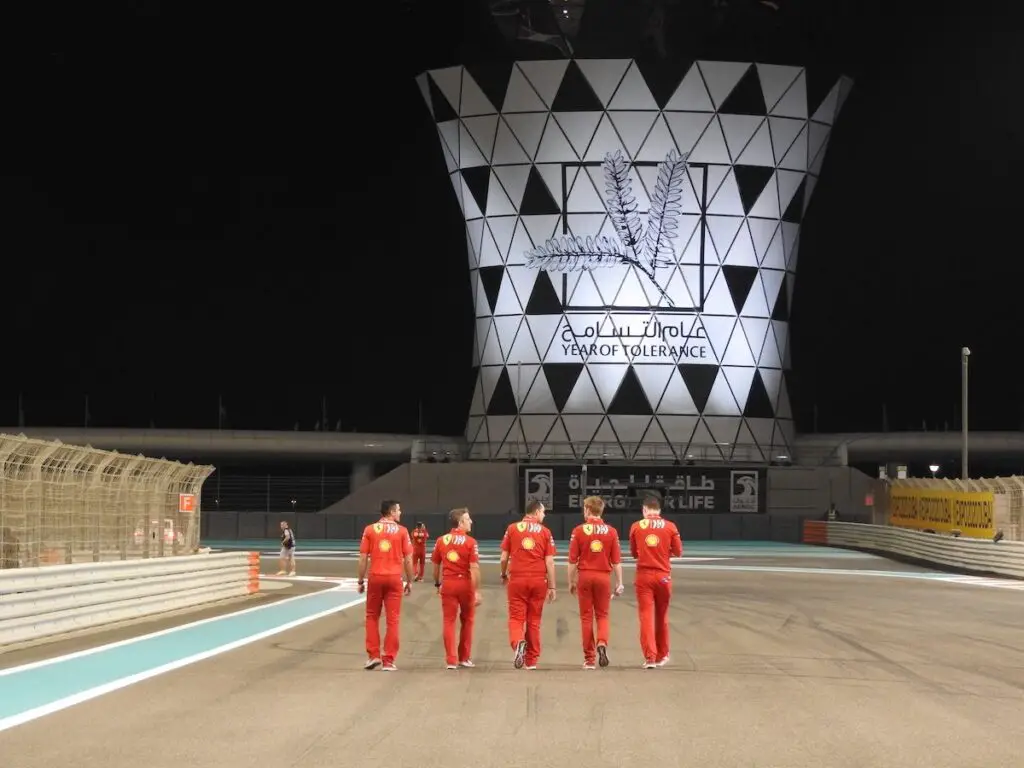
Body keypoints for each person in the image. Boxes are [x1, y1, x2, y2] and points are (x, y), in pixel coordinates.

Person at [357, 500, 414, 671]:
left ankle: (373, 655)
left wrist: (360, 580)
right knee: (393, 619)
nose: (400, 512)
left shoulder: (369, 529)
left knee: (372, 616)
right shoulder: (402, 531)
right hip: (394, 578)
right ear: (391, 512)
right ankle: (389, 660)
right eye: (398, 510)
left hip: (375, 576)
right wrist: (410, 580)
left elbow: (362, 558)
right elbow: (409, 559)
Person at [567, 496, 624, 670]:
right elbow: (616, 561)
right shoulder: (611, 532)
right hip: (603, 577)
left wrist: (571, 581)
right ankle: (602, 642)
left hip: (585, 575)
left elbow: (572, 561)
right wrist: (619, 582)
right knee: (602, 615)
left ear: (587, 510)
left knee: (586, 617)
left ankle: (589, 659)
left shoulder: (578, 531)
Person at [500, 500, 556, 670]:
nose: (544, 515)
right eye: (543, 512)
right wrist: (552, 586)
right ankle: (531, 661)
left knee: (516, 617)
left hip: (517, 578)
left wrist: (503, 574)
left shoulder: (512, 529)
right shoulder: (545, 532)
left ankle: (518, 643)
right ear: (537, 512)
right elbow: (550, 562)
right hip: (538, 580)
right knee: (534, 620)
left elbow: (503, 558)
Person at [628, 495, 682, 669]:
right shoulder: (670, 526)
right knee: (662, 616)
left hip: (644, 575)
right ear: (659, 510)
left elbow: (634, 554)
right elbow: (678, 551)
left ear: (644, 510)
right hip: (663, 576)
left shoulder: (636, 526)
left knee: (646, 616)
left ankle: (650, 657)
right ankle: (662, 654)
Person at [431, 507, 482, 670]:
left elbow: (436, 565)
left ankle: (451, 660)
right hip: (465, 584)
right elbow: (474, 568)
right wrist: (476, 590)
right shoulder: (470, 542)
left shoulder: (441, 540)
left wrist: (438, 584)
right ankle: (464, 658)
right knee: (468, 621)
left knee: (448, 621)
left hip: (448, 583)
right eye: (468, 519)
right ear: (460, 523)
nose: (471, 522)